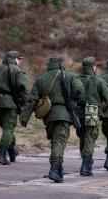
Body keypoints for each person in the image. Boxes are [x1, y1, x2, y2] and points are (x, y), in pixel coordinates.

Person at [20, 55, 84, 183]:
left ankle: (58, 169)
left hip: (48, 115)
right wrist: (74, 100)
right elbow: (81, 92)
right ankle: (55, 169)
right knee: (59, 142)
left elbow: (32, 99)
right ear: (61, 64)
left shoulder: (41, 78)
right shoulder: (70, 76)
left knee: (55, 142)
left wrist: (24, 117)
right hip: (64, 115)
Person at [76, 57, 108, 176]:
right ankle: (86, 166)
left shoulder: (75, 80)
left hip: (78, 113)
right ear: (94, 67)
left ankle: (84, 160)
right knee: (89, 138)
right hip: (92, 112)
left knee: (82, 137)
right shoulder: (98, 81)